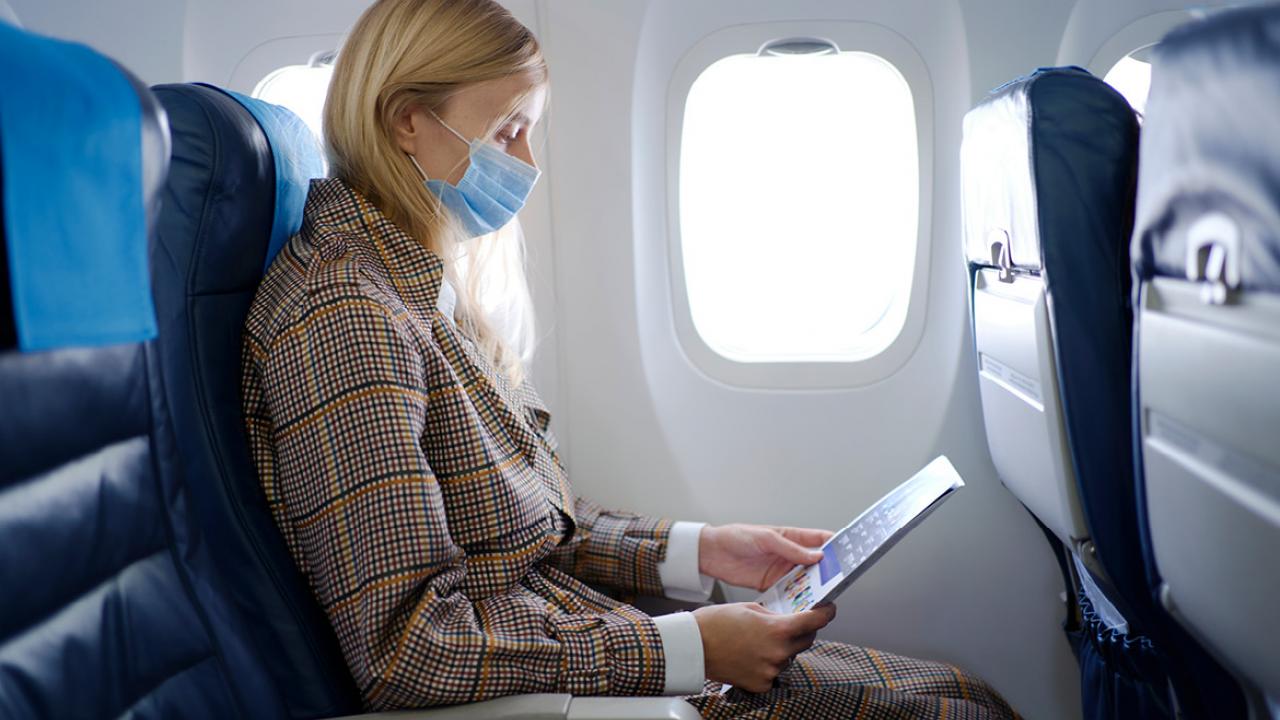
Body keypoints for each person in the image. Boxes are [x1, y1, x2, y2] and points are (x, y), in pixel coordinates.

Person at [240, 0, 1019, 717]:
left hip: (572, 637)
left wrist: (703, 547)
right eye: (509, 128)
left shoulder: (410, 283)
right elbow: (410, 650)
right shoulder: (346, 316)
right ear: (408, 120)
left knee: (959, 691)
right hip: (556, 687)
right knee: (958, 712)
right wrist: (691, 647)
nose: (528, 161)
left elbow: (525, 530)